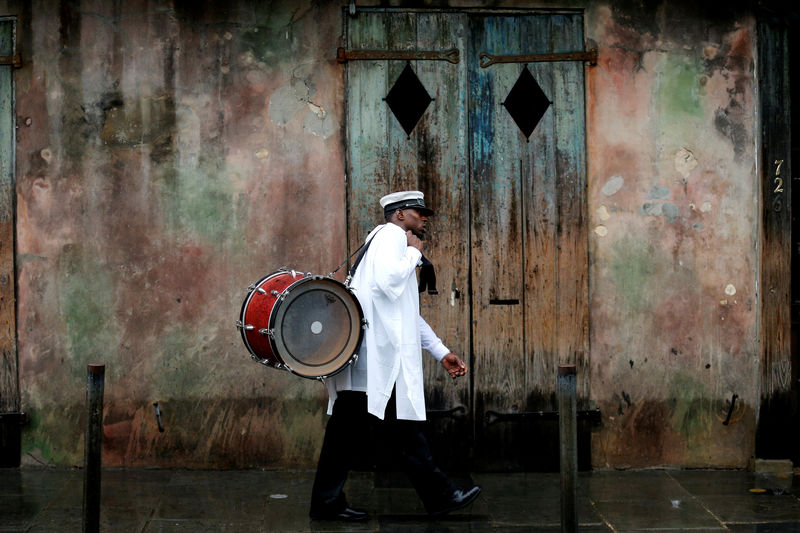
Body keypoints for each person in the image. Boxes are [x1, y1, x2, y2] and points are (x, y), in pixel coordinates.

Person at [310, 191, 482, 521]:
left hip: (369, 365)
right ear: (400, 214)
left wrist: (440, 351)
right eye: (419, 211)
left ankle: (327, 503)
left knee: (360, 434)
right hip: (376, 364)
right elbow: (389, 284)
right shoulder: (391, 236)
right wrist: (415, 255)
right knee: (396, 433)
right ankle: (440, 496)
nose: (424, 217)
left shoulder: (380, 242)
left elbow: (404, 312)